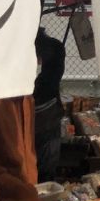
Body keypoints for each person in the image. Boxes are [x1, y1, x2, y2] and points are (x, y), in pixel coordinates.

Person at [33, 29, 65, 182]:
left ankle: (45, 181)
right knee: (48, 156)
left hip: (46, 111)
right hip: (48, 112)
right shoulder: (55, 47)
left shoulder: (45, 81)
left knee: (46, 156)